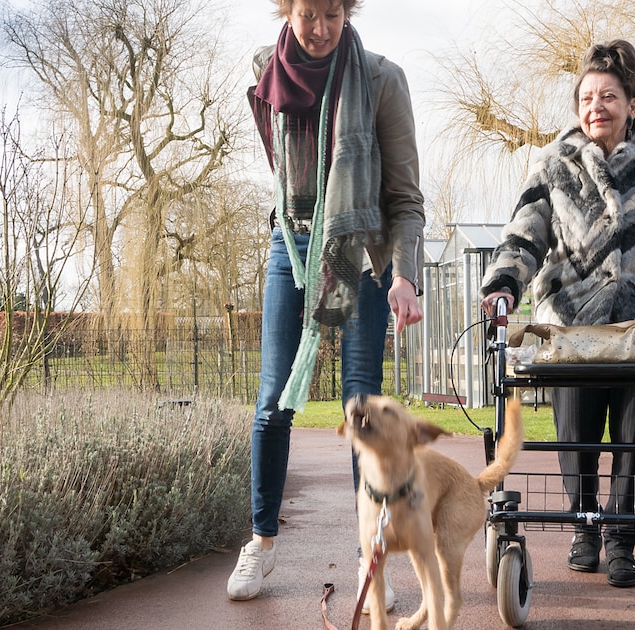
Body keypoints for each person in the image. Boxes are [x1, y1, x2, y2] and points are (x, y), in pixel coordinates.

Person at [479, 39, 635, 588]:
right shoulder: (553, 163)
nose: (595, 107)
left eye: (608, 96)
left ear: (631, 103)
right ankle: (584, 529)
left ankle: (623, 539)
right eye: (586, 98)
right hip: (571, 328)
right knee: (576, 438)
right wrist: (504, 284)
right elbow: (524, 234)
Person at [227, 0, 425, 606]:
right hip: (291, 246)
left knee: (360, 407)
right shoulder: (266, 74)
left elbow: (406, 197)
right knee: (271, 402)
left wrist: (403, 275)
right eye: (307, 14)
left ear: (348, 11)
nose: (319, 30)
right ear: (286, 12)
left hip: (361, 251)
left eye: (332, 15)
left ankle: (373, 558)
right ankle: (261, 544)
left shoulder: (382, 79)